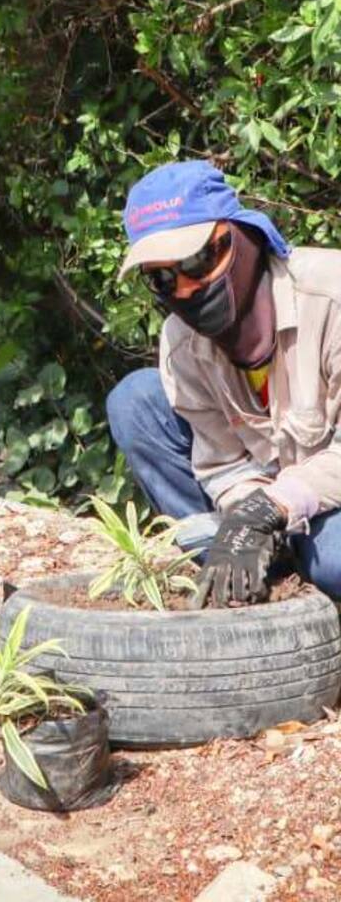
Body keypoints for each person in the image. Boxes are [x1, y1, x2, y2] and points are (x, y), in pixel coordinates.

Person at [107, 160, 341, 607]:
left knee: (333, 561)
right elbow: (221, 465)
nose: (185, 290)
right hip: (270, 499)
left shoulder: (331, 297)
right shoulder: (181, 343)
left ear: (241, 238)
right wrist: (246, 516)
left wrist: (272, 508)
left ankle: (301, 562)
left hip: (329, 493)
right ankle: (250, 560)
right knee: (136, 400)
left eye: (197, 261)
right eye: (161, 278)